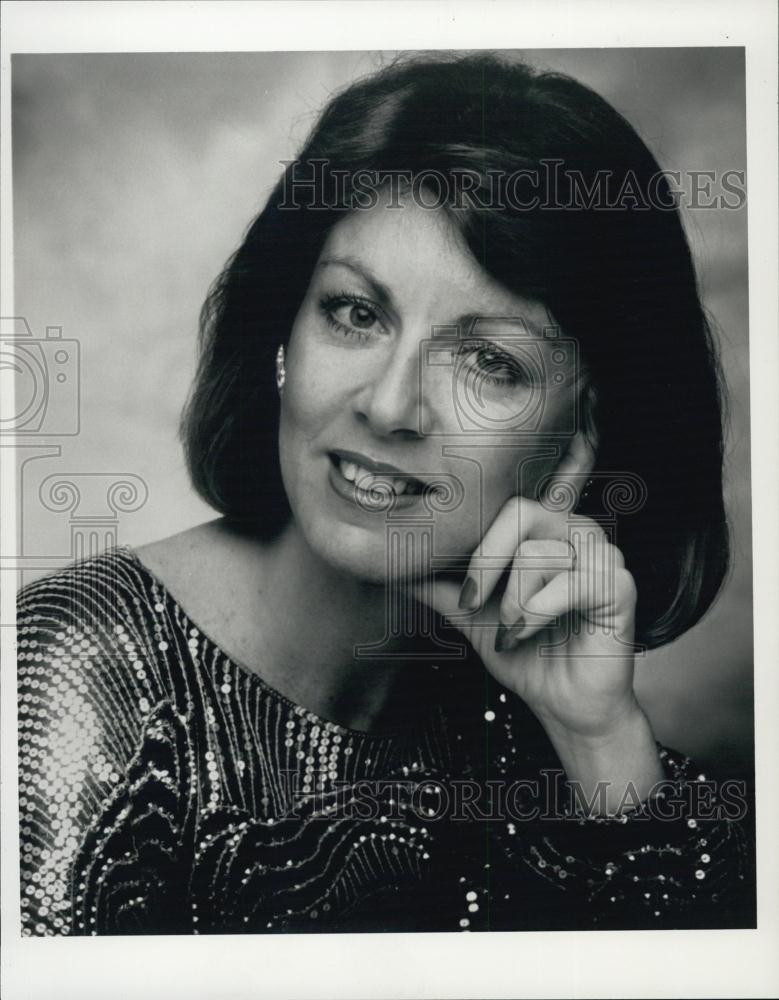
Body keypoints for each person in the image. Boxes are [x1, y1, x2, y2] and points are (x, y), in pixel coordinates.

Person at [17, 52, 753, 936]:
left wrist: (600, 743)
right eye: (355, 313)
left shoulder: (547, 712)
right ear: (282, 330)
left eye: (488, 361)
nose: (389, 406)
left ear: (586, 427)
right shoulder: (74, 672)